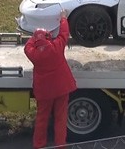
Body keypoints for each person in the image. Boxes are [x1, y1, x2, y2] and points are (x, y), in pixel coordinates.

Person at [24, 9, 77, 149]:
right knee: (60, 118)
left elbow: (27, 46)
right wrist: (63, 18)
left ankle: (39, 145)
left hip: (45, 91)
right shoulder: (56, 47)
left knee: (42, 119)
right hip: (61, 88)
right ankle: (60, 145)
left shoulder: (32, 53)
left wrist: (35, 36)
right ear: (49, 38)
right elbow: (64, 33)